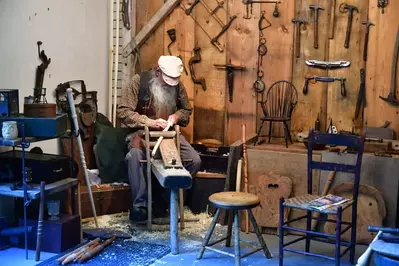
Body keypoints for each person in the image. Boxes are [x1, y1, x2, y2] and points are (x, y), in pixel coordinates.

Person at [117, 55, 201, 223]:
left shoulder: (177, 85)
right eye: (165, 82)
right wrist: (149, 121)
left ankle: (164, 201)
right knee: (134, 157)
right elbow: (123, 111)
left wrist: (176, 116)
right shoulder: (139, 82)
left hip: (168, 134)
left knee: (194, 160)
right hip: (141, 132)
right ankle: (140, 207)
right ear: (157, 72)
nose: (167, 86)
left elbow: (186, 110)